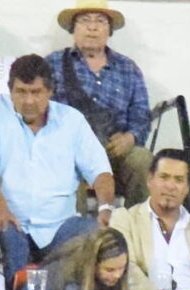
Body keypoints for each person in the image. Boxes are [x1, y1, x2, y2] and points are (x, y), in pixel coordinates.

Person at [0, 51, 112, 279]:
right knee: (4, 233)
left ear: (50, 91)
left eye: (36, 92)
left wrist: (105, 208)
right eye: (21, 92)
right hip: (9, 220)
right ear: (10, 90)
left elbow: (101, 172)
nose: (29, 100)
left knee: (90, 232)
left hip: (60, 225)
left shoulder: (72, 120)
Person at [46, 5, 145, 201]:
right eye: (85, 21)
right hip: (68, 149)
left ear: (109, 30)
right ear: (73, 29)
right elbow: (38, 109)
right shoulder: (53, 63)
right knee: (64, 168)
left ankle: (136, 227)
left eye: (100, 21)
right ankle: (74, 231)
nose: (93, 27)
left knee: (143, 162)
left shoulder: (128, 68)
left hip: (114, 149)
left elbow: (141, 113)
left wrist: (130, 138)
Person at [104, 145, 190, 290]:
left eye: (179, 180)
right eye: (164, 177)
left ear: (187, 188)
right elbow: (127, 268)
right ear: (149, 180)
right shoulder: (124, 220)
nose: (170, 186)